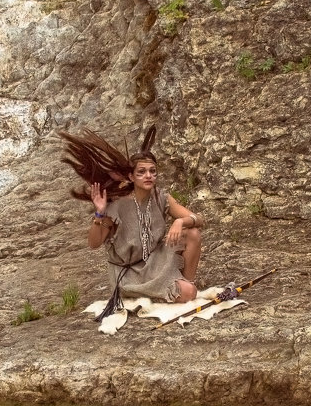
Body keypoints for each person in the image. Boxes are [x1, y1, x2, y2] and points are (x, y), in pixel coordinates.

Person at [60, 128, 204, 319]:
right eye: (142, 172)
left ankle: (184, 284)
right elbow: (94, 243)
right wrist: (100, 213)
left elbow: (199, 220)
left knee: (192, 233)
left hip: (155, 259)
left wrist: (180, 221)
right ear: (131, 177)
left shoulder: (160, 197)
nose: (148, 176)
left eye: (152, 171)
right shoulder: (117, 206)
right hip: (130, 273)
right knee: (189, 294)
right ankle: (179, 292)